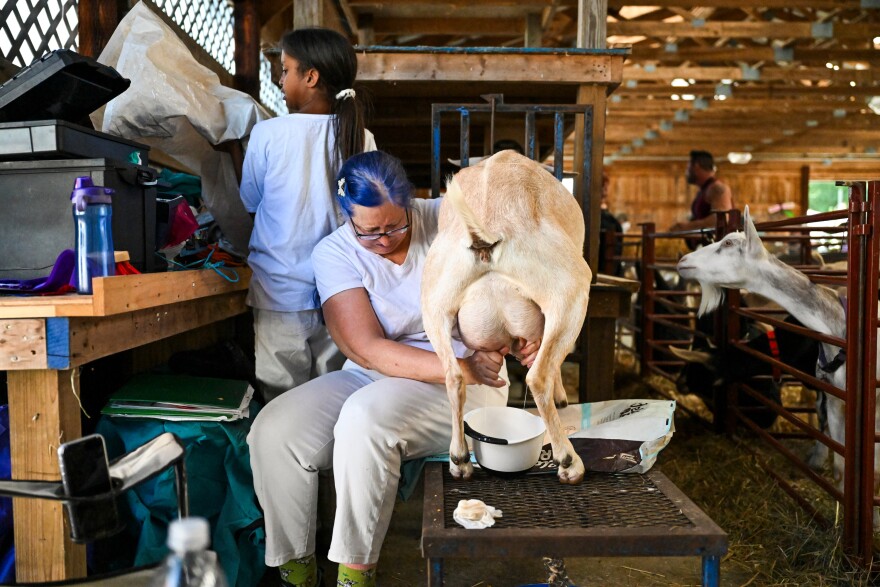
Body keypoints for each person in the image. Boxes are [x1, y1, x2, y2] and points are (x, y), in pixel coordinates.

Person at [247, 151, 537, 587]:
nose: (384, 239)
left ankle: (355, 573)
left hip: (469, 384)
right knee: (273, 430)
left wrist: (525, 333)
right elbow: (366, 348)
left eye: (395, 225)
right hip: (403, 369)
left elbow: (514, 271)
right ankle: (297, 570)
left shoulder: (447, 219)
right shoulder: (334, 252)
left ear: (412, 201)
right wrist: (458, 365)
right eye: (369, 232)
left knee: (366, 420)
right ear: (347, 216)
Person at [239, 28, 376, 402]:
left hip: (279, 292)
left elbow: (251, 203)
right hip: (343, 293)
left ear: (311, 76)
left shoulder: (267, 134)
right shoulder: (361, 138)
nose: (280, 81)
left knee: (279, 400)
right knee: (333, 399)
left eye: (285, 70)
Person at [669, 150, 734, 233]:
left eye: (688, 168)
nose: (686, 173)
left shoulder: (717, 188)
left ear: (696, 166)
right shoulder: (704, 189)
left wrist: (686, 226)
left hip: (716, 245)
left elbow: (721, 219)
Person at [598, 172, 624, 276]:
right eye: (604, 188)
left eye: (606, 188)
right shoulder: (609, 221)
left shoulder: (611, 220)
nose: (606, 192)